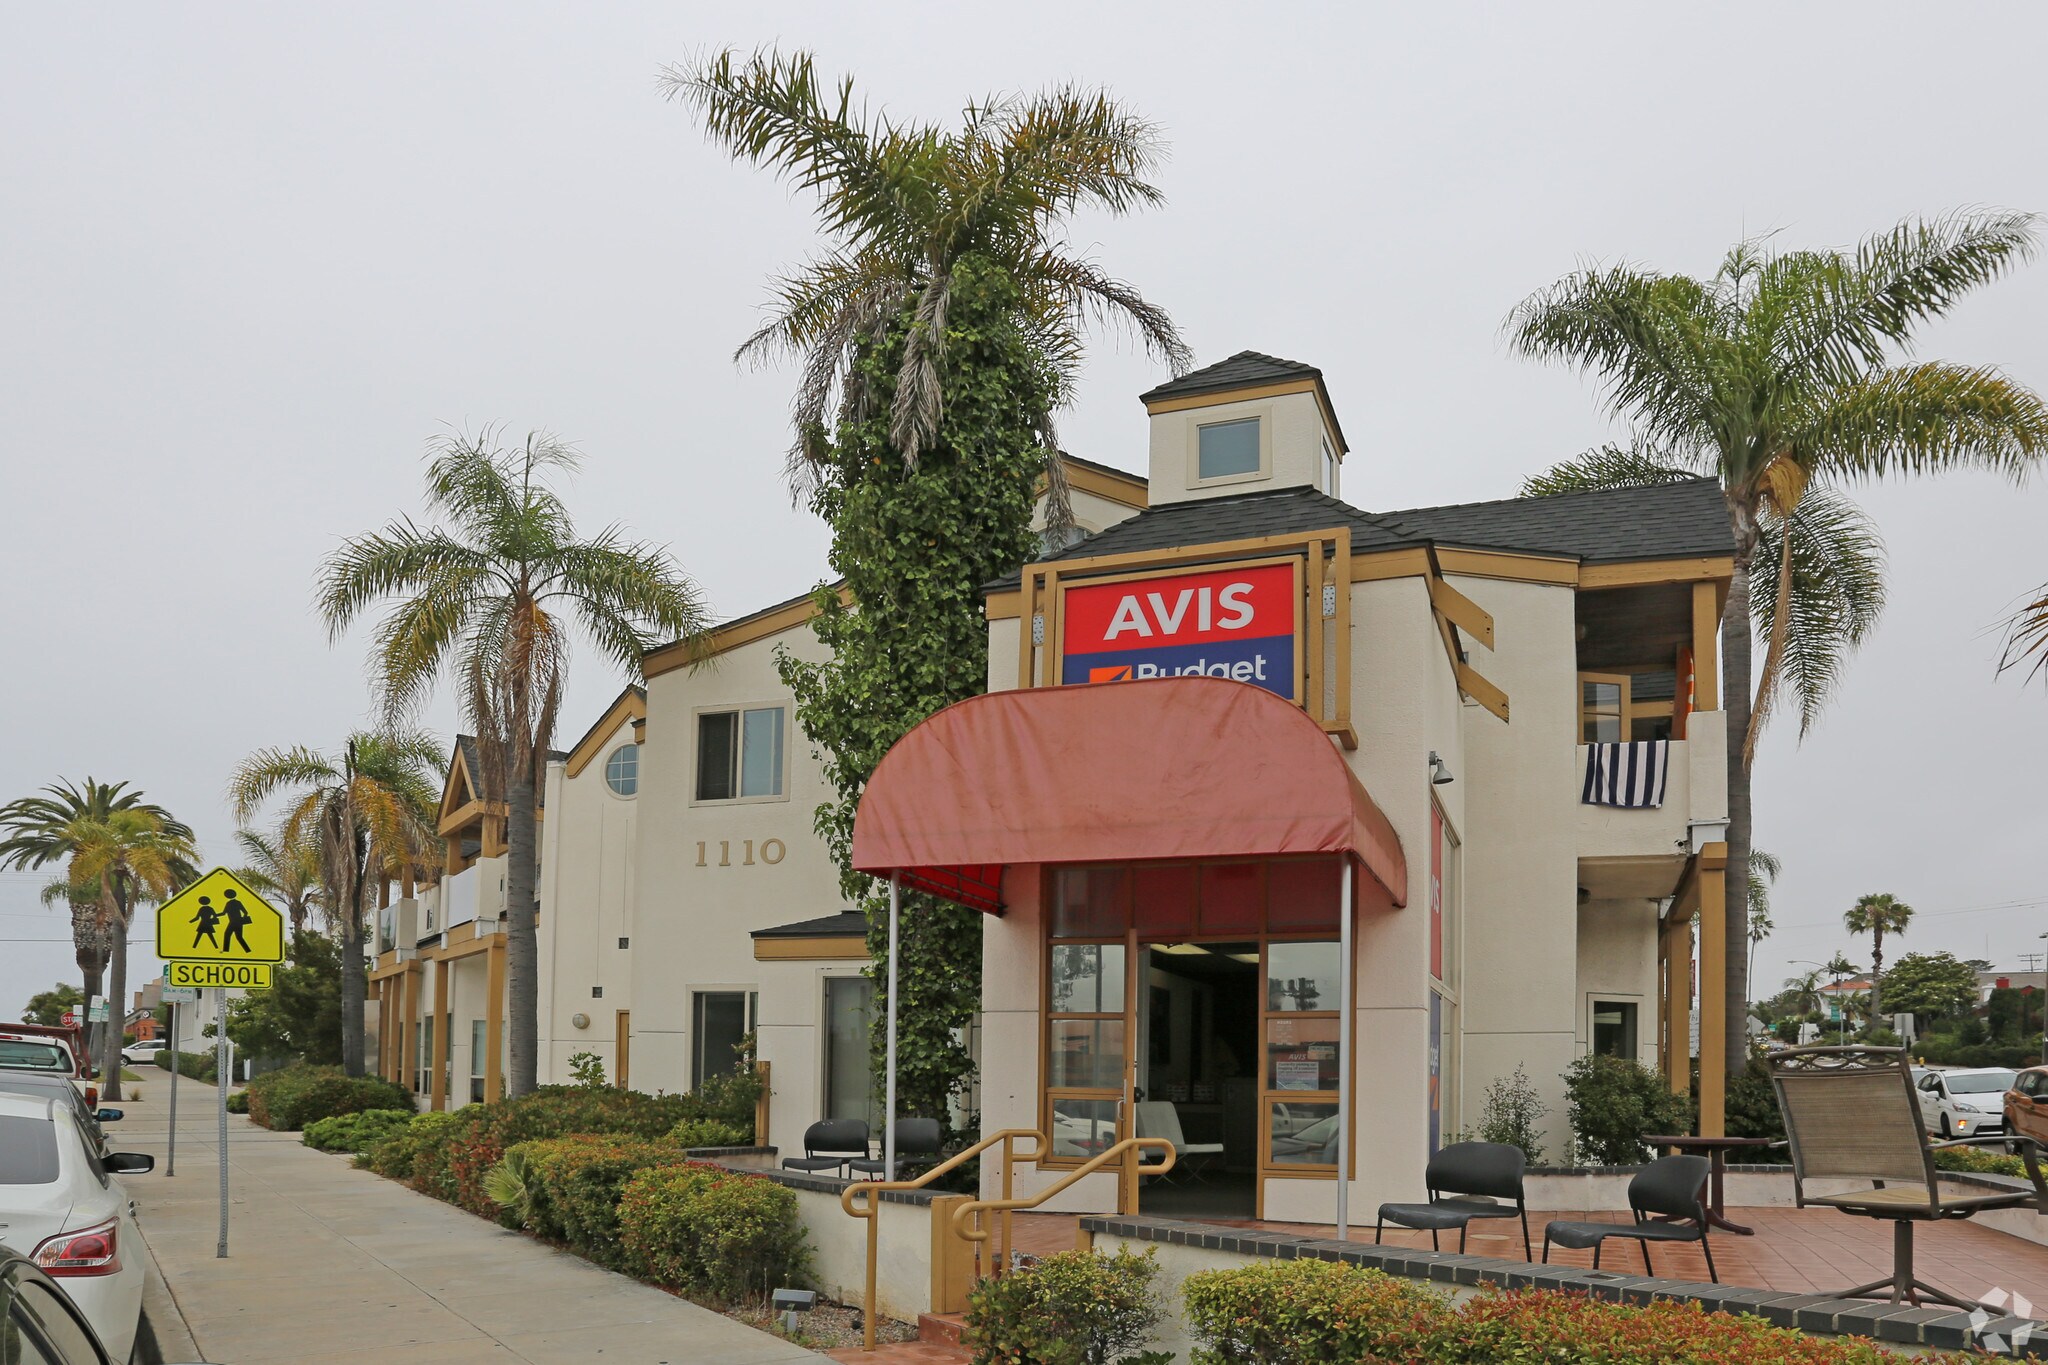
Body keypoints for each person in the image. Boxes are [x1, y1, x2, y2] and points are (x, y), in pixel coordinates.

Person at [221, 888, 253, 954]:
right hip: (238, 922)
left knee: (227, 935)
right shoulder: (235, 903)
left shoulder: (229, 903)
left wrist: (215, 915)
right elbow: (245, 912)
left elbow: (223, 913)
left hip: (233, 922)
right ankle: (248, 950)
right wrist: (242, 920)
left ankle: (226, 951)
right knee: (238, 937)